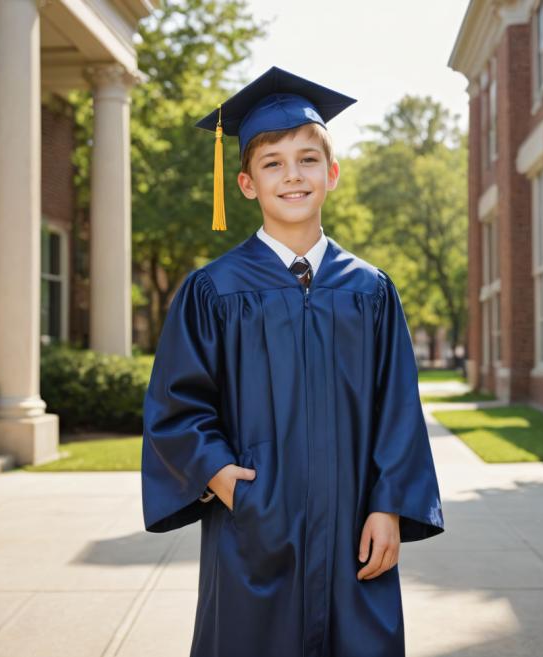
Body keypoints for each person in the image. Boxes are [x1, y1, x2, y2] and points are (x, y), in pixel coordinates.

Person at [140, 65, 445, 657]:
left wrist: (390, 506)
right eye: (272, 163)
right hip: (257, 530)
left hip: (356, 526)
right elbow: (178, 407)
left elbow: (397, 408)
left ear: (331, 173)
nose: (292, 176)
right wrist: (226, 482)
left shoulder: (370, 289)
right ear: (247, 184)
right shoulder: (214, 290)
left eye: (307, 160)